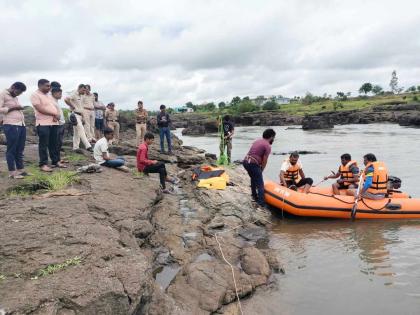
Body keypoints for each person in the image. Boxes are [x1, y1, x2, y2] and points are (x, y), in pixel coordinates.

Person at [30, 79, 64, 171]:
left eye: (49, 86)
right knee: (43, 144)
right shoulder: (35, 95)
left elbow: (54, 106)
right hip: (43, 123)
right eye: (47, 86)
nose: (49, 88)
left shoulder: (48, 96)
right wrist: (54, 114)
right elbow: (40, 108)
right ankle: (43, 164)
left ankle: (55, 161)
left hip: (54, 122)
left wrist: (57, 115)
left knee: (54, 143)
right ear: (40, 85)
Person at [0, 82, 29, 179]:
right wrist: (14, 107)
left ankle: (20, 170)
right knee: (12, 148)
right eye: (18, 92)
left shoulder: (15, 97)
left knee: (20, 148)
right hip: (10, 124)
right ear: (13, 87)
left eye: (20, 93)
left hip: (20, 124)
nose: (18, 94)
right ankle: (12, 172)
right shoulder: (3, 94)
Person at [243, 128, 276, 206]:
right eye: (274, 137)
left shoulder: (257, 141)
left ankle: (254, 196)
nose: (274, 139)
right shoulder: (267, 146)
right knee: (260, 184)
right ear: (271, 137)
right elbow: (265, 160)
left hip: (245, 162)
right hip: (253, 164)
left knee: (254, 178)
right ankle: (261, 202)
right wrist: (262, 169)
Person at [64, 84, 92, 152]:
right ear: (79, 88)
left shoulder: (82, 96)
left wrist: (83, 118)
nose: (84, 92)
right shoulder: (74, 93)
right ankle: (88, 146)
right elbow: (66, 99)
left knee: (77, 132)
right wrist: (72, 106)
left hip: (80, 114)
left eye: (85, 90)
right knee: (81, 129)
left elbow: (81, 108)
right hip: (74, 114)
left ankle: (75, 147)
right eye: (83, 90)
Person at [51, 87, 67, 166]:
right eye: (59, 93)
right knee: (56, 143)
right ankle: (55, 160)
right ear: (54, 93)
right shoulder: (52, 101)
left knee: (59, 143)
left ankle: (58, 158)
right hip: (57, 124)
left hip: (61, 123)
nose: (61, 95)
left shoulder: (56, 101)